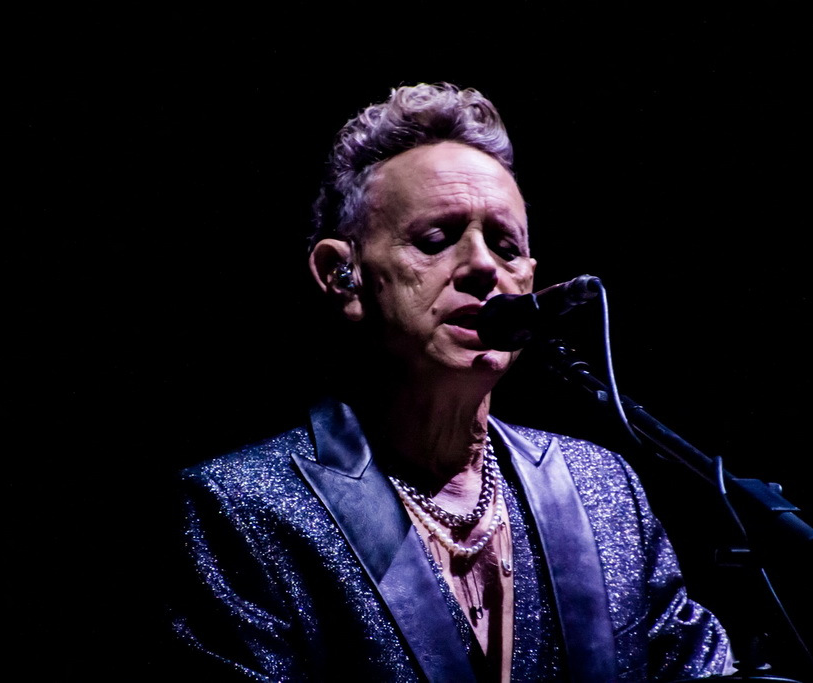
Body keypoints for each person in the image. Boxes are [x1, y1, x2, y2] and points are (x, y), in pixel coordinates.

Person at [167, 82, 734, 682]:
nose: (484, 265)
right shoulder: (239, 508)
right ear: (342, 275)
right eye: (435, 240)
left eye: (506, 246)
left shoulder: (603, 486)